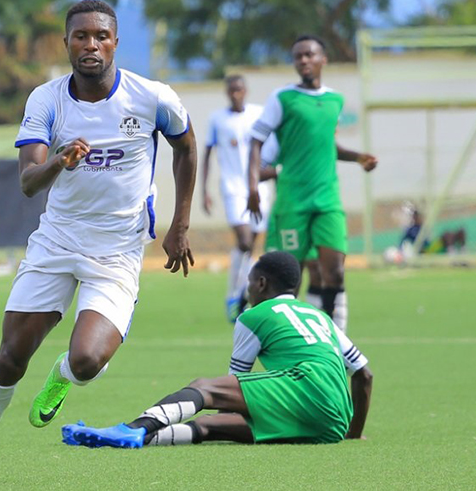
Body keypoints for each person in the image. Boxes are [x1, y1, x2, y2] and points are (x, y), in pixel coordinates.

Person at [0, 0, 197, 481]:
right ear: (66, 43)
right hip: (57, 242)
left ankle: (62, 376)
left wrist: (180, 225)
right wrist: (58, 162)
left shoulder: (152, 97)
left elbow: (186, 147)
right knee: (11, 358)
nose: (91, 45)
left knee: (86, 360)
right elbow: (28, 182)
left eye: (101, 36)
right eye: (81, 36)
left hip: (117, 250)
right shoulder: (46, 100)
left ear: (115, 42)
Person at [61, 251, 373, 448]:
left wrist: (226, 416)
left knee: (205, 388)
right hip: (333, 423)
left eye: (249, 282)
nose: (247, 290)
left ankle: (133, 428)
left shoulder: (254, 316)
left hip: (306, 390)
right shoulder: (318, 316)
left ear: (261, 284)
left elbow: (230, 389)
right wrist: (353, 432)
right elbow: (364, 374)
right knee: (209, 427)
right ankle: (125, 438)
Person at [247, 34, 378, 333]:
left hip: (327, 199)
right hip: (293, 200)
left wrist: (357, 157)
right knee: (287, 280)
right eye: (298, 56)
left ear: (323, 59)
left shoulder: (335, 100)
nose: (304, 60)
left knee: (335, 272)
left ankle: (334, 340)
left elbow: (328, 145)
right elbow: (256, 140)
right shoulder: (283, 98)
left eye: (309, 54)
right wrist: (253, 186)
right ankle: (284, 338)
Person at [201, 75, 273, 322]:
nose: (236, 94)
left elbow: (271, 148)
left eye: (239, 89)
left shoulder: (259, 114)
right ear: (227, 92)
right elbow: (207, 154)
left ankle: (242, 295)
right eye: (231, 90)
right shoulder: (218, 119)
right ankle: (234, 294)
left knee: (252, 244)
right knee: (243, 241)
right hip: (232, 187)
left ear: (246, 91)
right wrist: (204, 190)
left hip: (259, 187)